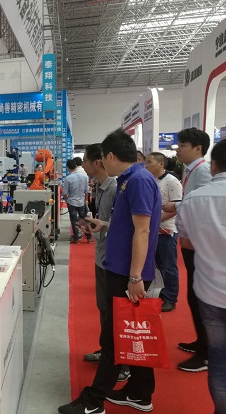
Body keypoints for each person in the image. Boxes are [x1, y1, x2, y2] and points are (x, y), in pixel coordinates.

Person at [58, 128, 161, 414]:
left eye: (103, 157)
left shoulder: (138, 181)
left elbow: (143, 230)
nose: (101, 163)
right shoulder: (130, 180)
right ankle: (140, 392)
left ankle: (94, 400)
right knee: (131, 333)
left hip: (128, 272)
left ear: (111, 156)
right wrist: (104, 225)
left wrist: (135, 276)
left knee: (115, 337)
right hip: (122, 268)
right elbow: (130, 225)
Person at [176, 139, 226, 413]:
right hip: (209, 290)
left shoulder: (195, 198)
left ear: (214, 165)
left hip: (211, 292)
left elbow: (186, 241)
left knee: (218, 359)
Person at [163, 127, 212, 372]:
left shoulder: (202, 171)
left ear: (198, 148)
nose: (178, 150)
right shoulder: (191, 170)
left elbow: (203, 203)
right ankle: (202, 342)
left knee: (200, 297)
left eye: (182, 145)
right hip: (190, 241)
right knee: (193, 295)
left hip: (199, 244)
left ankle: (207, 353)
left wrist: (174, 207)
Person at [81, 144, 130, 380]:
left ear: (98, 162)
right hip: (101, 256)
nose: (82, 165)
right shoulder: (101, 188)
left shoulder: (116, 188)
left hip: (113, 259)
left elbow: (123, 226)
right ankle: (108, 351)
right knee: (104, 309)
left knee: (115, 312)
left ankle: (122, 363)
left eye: (85, 160)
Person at [145, 152, 182, 312]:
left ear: (161, 164)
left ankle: (171, 298)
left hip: (166, 230)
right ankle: (160, 292)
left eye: (149, 162)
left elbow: (176, 207)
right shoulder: (150, 180)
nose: (146, 165)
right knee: (156, 265)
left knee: (168, 266)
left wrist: (155, 220)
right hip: (151, 229)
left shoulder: (172, 181)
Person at [62, 159, 92, 243]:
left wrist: (67, 200)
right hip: (81, 201)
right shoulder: (85, 177)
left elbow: (65, 193)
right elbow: (87, 190)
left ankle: (76, 238)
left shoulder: (68, 178)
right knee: (84, 219)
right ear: (76, 166)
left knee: (74, 220)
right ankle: (89, 237)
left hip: (72, 201)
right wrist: (86, 200)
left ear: (68, 168)